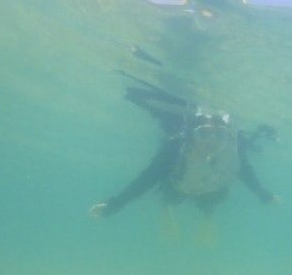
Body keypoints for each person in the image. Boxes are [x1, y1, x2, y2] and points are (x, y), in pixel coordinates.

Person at [90, 58, 278, 241]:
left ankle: (208, 217)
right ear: (193, 134)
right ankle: (167, 208)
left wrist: (262, 194)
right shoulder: (176, 149)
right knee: (168, 193)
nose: (211, 140)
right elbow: (146, 180)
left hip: (211, 190)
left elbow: (244, 170)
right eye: (204, 133)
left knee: (216, 197)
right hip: (177, 186)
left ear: (227, 135)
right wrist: (114, 205)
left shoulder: (234, 148)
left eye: (219, 134)